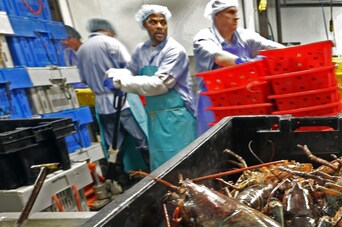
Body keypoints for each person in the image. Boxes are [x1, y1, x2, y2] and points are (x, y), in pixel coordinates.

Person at [105, 5, 197, 171]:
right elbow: (130, 71)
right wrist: (115, 73)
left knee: (182, 165)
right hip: (155, 119)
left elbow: (160, 85)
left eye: (163, 22)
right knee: (161, 165)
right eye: (153, 22)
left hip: (176, 119)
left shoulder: (175, 51)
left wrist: (122, 83)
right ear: (144, 25)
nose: (160, 26)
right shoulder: (142, 50)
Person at [193, 0, 284, 135]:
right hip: (213, 105)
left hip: (244, 101)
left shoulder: (243, 36)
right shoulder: (204, 38)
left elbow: (270, 46)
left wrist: (290, 52)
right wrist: (246, 62)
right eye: (231, 12)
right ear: (217, 15)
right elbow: (220, 57)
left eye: (236, 12)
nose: (236, 17)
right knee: (215, 145)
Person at [77, 19, 150, 174]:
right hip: (121, 100)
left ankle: (119, 179)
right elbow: (131, 68)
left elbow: (83, 79)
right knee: (141, 137)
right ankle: (152, 170)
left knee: (114, 144)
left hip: (102, 104)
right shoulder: (111, 43)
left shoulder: (82, 49)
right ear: (108, 30)